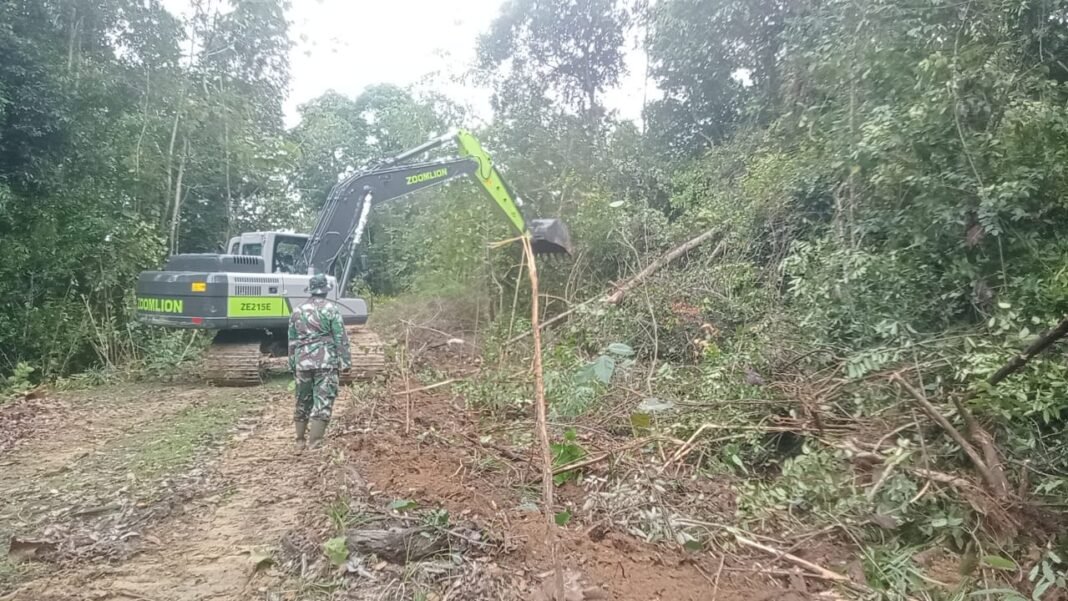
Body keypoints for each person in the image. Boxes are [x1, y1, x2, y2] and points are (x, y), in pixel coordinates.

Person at [288, 273, 351, 451]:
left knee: (302, 399)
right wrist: (345, 362)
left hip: (302, 362)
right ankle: (315, 443)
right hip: (326, 362)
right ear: (325, 290)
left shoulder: (297, 310)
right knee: (323, 401)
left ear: (310, 290)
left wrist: (292, 363)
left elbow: (292, 340)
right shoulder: (331, 309)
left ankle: (299, 440)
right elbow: (340, 338)